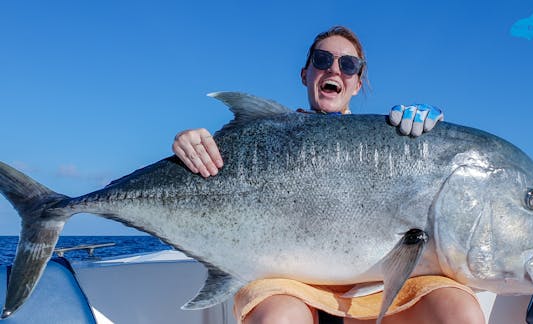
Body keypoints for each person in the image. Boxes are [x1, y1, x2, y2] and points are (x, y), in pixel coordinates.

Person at [173, 26, 485, 324]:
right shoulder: (264, 140)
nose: (335, 70)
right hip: (287, 281)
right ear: (305, 74)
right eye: (322, 60)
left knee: (460, 313)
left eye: (349, 65)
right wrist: (188, 147)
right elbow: (216, 167)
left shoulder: (391, 138)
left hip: (376, 285)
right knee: (280, 319)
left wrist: (437, 138)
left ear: (357, 82)